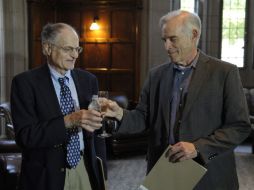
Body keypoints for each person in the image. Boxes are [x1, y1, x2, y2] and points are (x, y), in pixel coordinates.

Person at [104, 10, 251, 189]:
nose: (167, 47)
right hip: (164, 172)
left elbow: (239, 127)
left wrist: (198, 148)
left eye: (172, 39)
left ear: (194, 35)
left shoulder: (225, 73)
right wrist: (120, 114)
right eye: (164, 40)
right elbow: (143, 118)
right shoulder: (156, 75)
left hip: (210, 175)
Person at [11, 23, 104, 190]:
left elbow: (97, 135)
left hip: (84, 168)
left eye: (77, 49)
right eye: (68, 49)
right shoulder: (24, 83)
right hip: (46, 175)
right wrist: (68, 121)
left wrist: (102, 173)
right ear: (47, 48)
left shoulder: (88, 80)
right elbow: (25, 136)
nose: (75, 55)